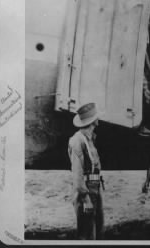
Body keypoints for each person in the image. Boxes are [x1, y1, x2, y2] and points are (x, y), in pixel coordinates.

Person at [68, 103, 104, 240]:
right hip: (86, 191)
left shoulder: (90, 139)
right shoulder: (77, 140)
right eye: (96, 116)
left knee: (96, 230)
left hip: (95, 187)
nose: (98, 118)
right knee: (86, 233)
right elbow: (77, 174)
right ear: (92, 121)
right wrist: (85, 198)